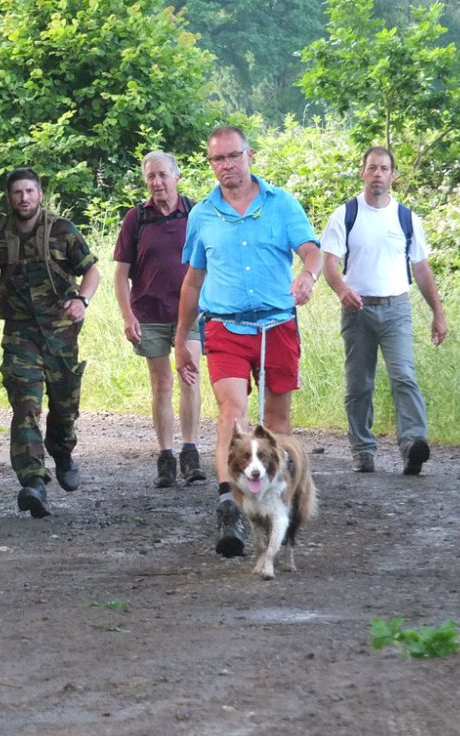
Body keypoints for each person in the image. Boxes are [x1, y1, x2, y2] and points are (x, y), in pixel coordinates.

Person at [175, 126, 322, 558]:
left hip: (276, 325)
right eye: (218, 159)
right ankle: (230, 504)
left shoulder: (281, 204)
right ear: (210, 164)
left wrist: (307, 275)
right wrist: (182, 338)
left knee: (276, 424)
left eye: (233, 156)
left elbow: (312, 251)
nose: (227, 166)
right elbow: (192, 281)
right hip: (224, 325)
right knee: (232, 415)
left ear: (250, 156)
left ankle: (278, 504)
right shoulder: (201, 214)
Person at [0, 168, 101, 518]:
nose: (24, 198)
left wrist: (82, 300)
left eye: (30, 192)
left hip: (61, 333)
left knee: (65, 406)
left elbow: (91, 270)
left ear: (40, 195)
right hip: (20, 333)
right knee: (25, 404)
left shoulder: (62, 230)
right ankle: (33, 481)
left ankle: (62, 449)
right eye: (18, 192)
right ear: (9, 197)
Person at [319, 146, 448, 476]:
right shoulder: (346, 214)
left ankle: (413, 445)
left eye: (384, 168)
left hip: (396, 308)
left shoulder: (406, 218)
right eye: (372, 168)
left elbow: (420, 268)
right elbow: (329, 261)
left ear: (393, 176)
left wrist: (438, 312)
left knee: (404, 375)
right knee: (359, 382)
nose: (377, 173)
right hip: (357, 310)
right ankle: (362, 449)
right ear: (362, 172)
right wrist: (342, 290)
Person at [114, 151, 206, 489]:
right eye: (151, 176)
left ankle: (191, 453)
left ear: (177, 177)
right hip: (149, 312)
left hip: (192, 312)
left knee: (190, 378)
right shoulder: (135, 219)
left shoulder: (197, 213)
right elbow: (120, 275)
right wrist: (127, 316)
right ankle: (165, 457)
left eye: (163, 175)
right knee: (161, 383)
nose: (157, 182)